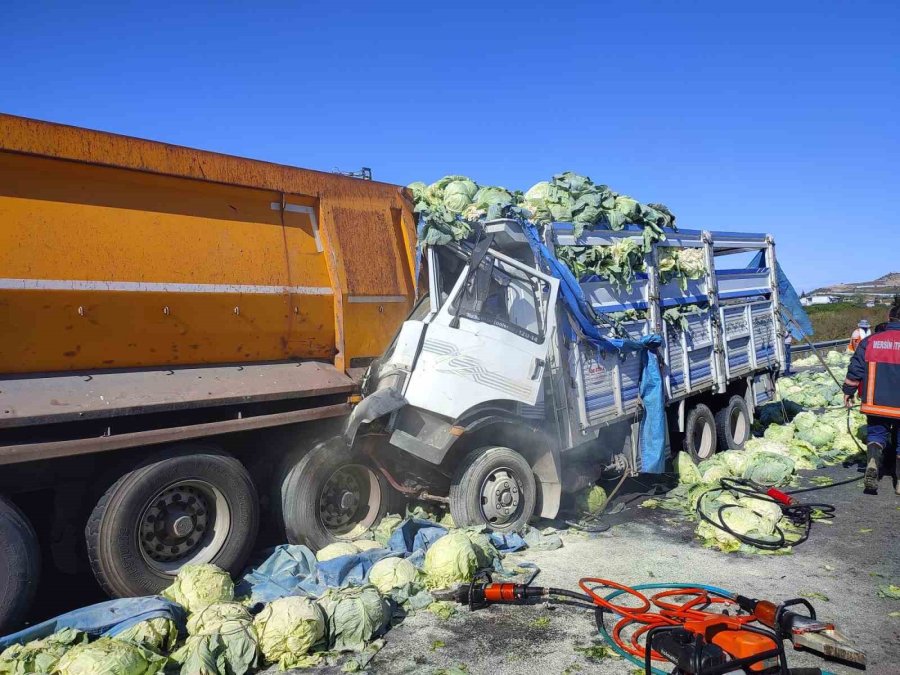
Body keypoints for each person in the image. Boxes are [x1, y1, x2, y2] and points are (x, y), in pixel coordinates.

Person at [843, 303, 900, 495]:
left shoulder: (871, 341)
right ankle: (899, 482)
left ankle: (873, 462)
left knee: (876, 434)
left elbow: (856, 367)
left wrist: (848, 390)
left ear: (889, 317)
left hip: (875, 402)